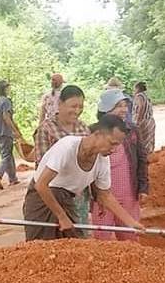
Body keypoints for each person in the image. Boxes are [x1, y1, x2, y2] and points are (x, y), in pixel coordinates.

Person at [21, 114, 146, 241]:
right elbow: (41, 185)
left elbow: (105, 196)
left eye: (117, 146)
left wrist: (130, 222)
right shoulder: (67, 146)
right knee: (40, 246)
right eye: (112, 143)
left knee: (74, 244)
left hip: (66, 200)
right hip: (41, 199)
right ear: (98, 134)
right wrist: (62, 216)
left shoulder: (102, 161)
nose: (114, 150)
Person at [89, 89, 149, 241]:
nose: (124, 109)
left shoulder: (132, 130)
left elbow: (142, 159)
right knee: (102, 238)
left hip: (128, 193)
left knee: (130, 237)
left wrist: (143, 187)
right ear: (106, 109)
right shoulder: (92, 131)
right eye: (118, 106)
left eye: (125, 105)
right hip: (102, 196)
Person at [34, 84, 91, 223]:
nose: (77, 111)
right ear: (60, 104)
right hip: (53, 193)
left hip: (78, 195)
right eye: (73, 106)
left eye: (80, 107)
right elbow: (41, 165)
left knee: (79, 236)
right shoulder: (46, 129)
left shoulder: (83, 128)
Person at [0, 80, 24, 190]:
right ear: (5, 89)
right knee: (6, 156)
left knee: (8, 155)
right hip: (4, 132)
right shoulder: (6, 101)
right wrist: (14, 131)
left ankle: (13, 179)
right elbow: (6, 117)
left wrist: (16, 130)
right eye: (8, 87)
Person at [132, 81, 156, 154]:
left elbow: (141, 106)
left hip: (143, 121)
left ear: (137, 88)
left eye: (134, 89)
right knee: (149, 142)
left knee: (142, 142)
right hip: (150, 121)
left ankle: (144, 160)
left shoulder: (139, 96)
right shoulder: (146, 96)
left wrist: (138, 120)